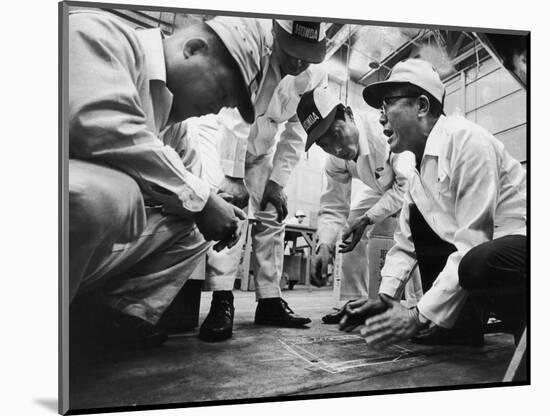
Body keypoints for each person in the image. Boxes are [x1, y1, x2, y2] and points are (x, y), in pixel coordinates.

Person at [68, 11, 264, 347]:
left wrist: (213, 209)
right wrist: (201, 199)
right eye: (221, 91)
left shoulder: (176, 130)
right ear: (193, 49)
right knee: (103, 194)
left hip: (78, 252)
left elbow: (198, 198)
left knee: (194, 227)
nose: (217, 110)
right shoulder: (99, 34)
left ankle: (109, 315)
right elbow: (99, 124)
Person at [339, 58, 527, 348]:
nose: (381, 118)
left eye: (388, 103)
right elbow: (405, 245)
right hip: (484, 260)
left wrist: (417, 316)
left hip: (522, 252)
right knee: (420, 223)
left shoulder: (466, 140)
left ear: (422, 107)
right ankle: (457, 328)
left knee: (476, 261)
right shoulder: (416, 173)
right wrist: (384, 302)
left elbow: (473, 242)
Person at [162, 19, 329, 342]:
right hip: (223, 136)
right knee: (231, 208)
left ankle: (269, 299)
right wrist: (234, 176)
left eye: (306, 55)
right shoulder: (253, 49)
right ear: (276, 36)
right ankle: (222, 299)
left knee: (272, 214)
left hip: (262, 150)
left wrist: (277, 182)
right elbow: (233, 115)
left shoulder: (313, 76)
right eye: (292, 53)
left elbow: (295, 132)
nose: (298, 62)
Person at [296, 87, 418, 323]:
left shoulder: (384, 133)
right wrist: (324, 244)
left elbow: (405, 188)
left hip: (415, 187)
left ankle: (414, 305)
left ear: (349, 115)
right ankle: (353, 301)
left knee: (407, 230)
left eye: (337, 134)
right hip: (382, 188)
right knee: (350, 226)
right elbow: (333, 205)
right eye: (325, 145)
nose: (336, 148)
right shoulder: (335, 159)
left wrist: (369, 218)